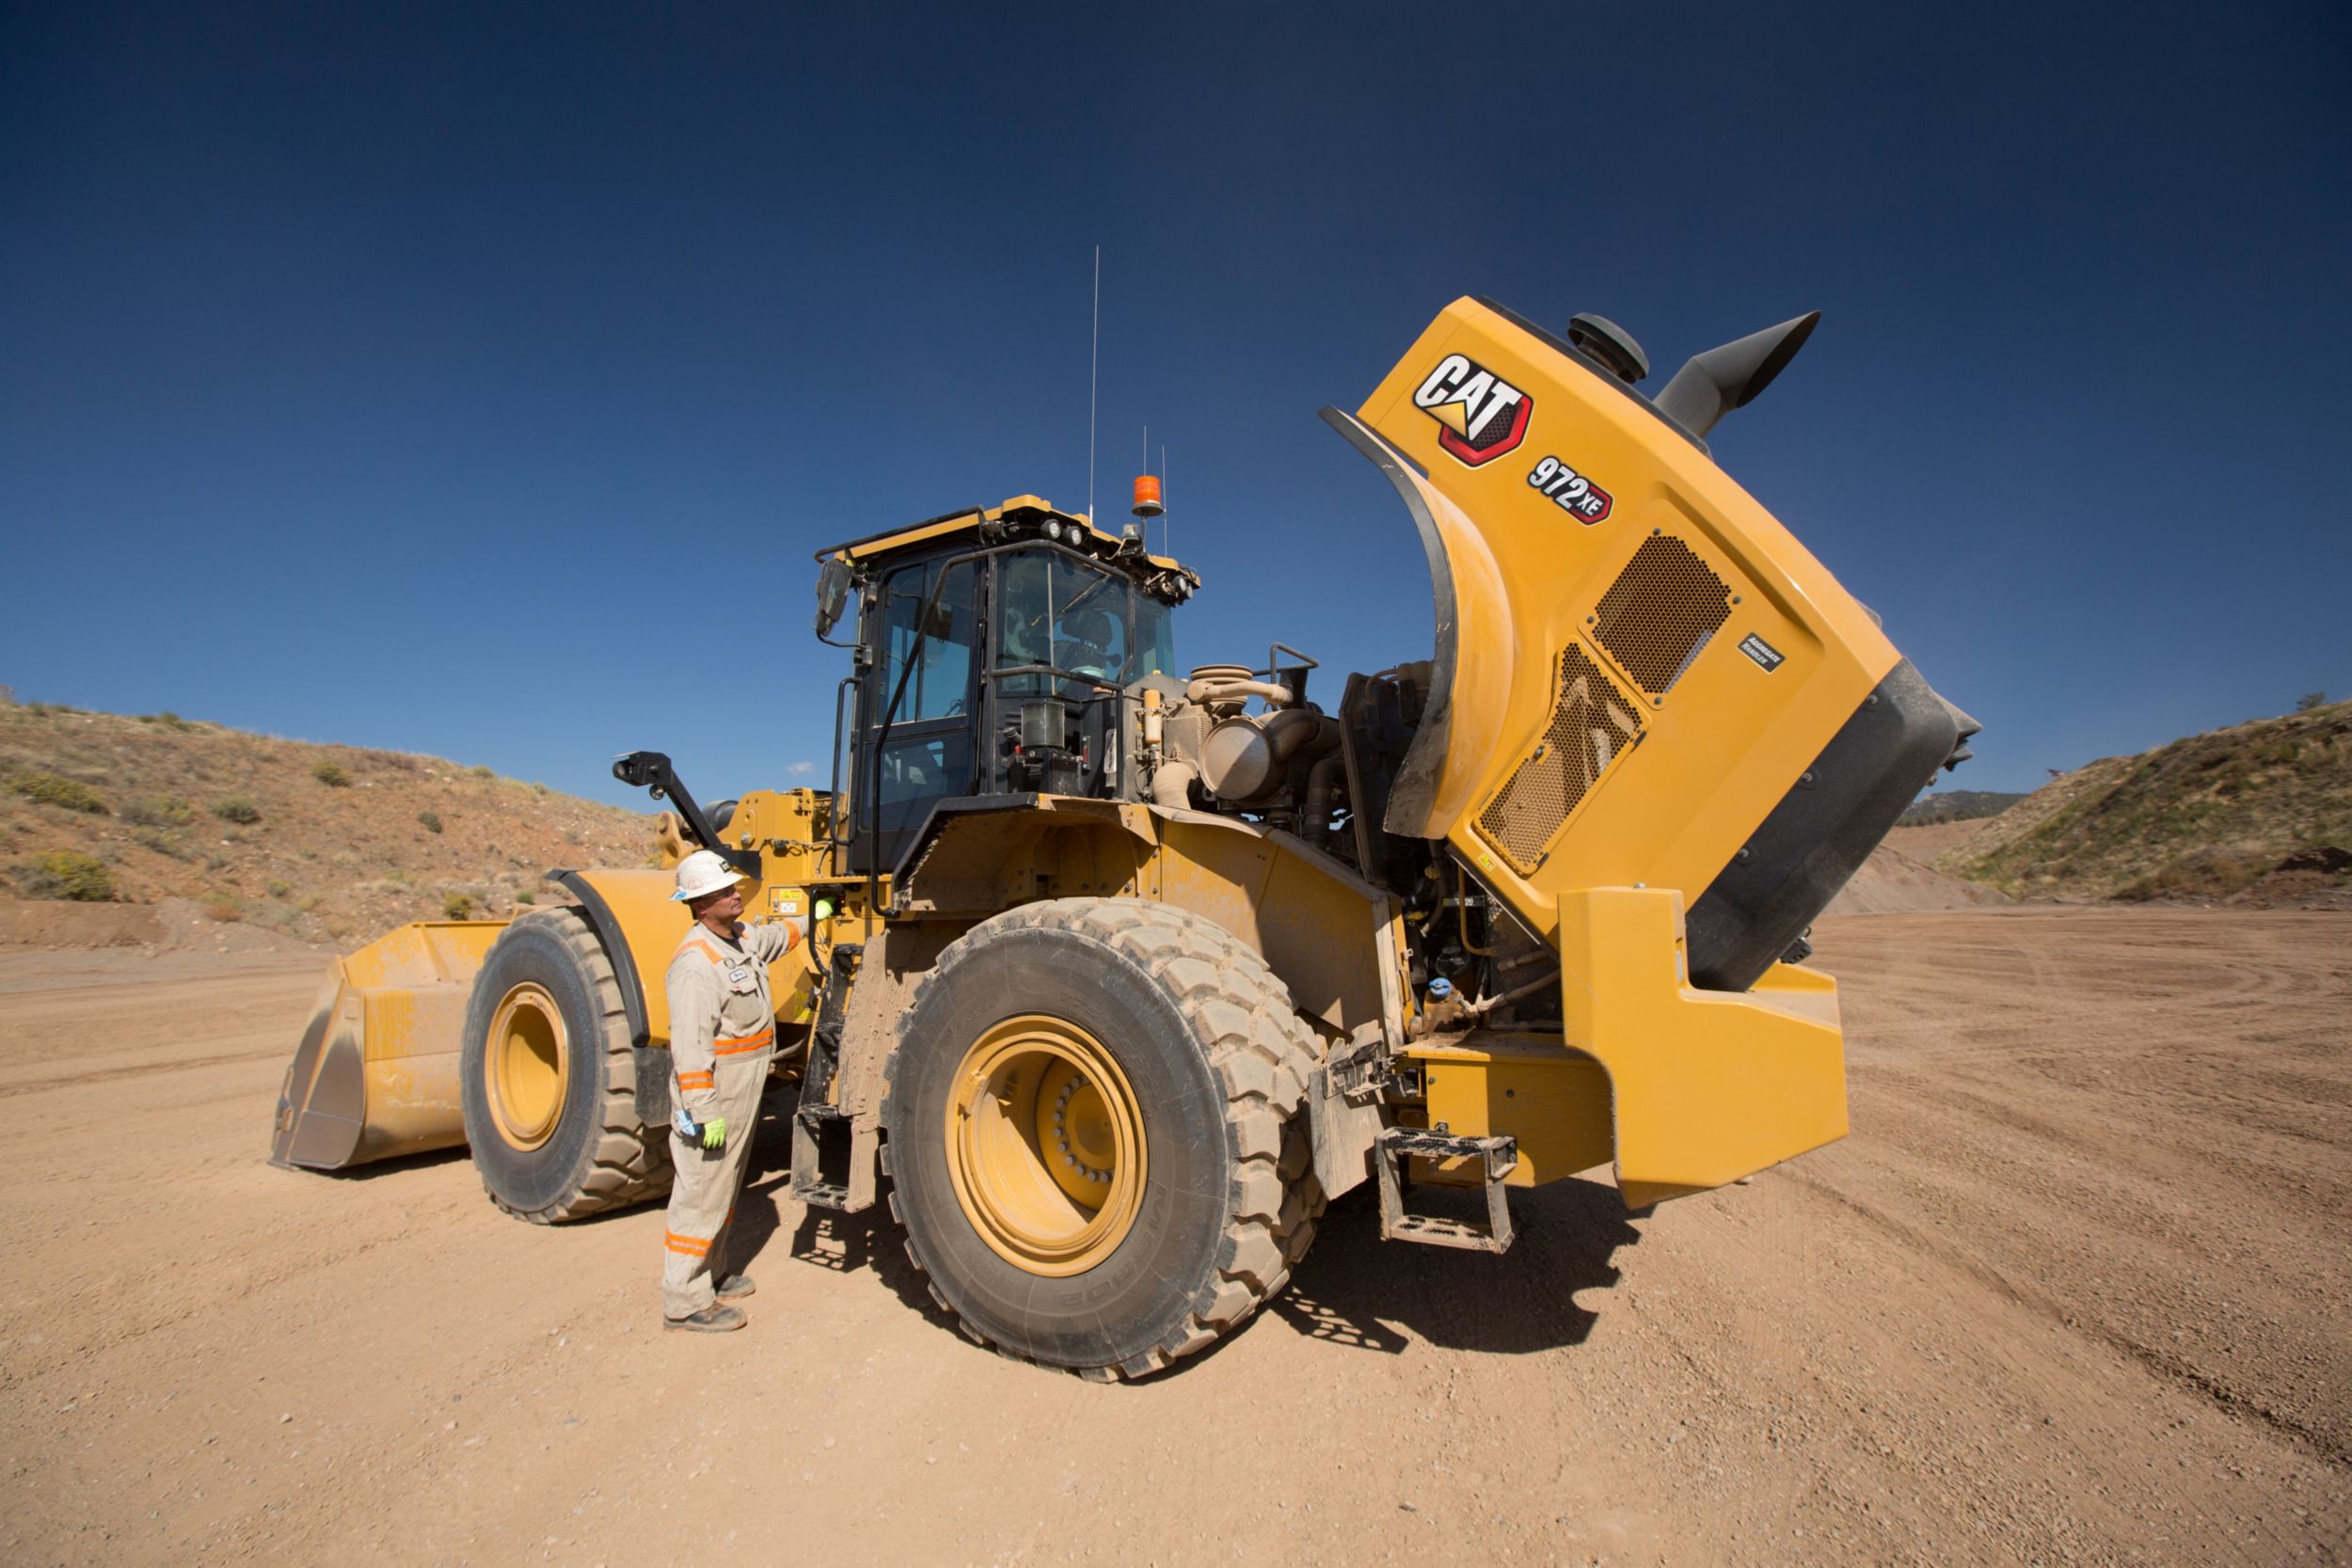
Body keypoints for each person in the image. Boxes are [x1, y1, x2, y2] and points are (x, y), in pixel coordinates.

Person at [659, 848, 812, 1333]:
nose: (734, 894)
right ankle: (684, 1302)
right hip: (715, 1091)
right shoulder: (695, 962)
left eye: (732, 887)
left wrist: (819, 912)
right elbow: (690, 1048)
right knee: (700, 1191)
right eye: (723, 892)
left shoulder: (738, 939)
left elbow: (776, 938)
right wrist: (704, 1111)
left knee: (724, 1185)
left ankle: (713, 1273)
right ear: (700, 905)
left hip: (745, 1083)